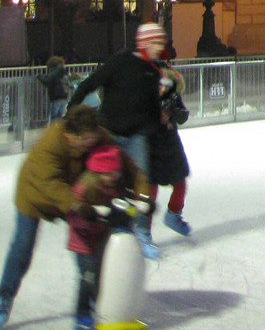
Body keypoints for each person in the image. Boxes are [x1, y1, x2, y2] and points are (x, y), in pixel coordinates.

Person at [0, 106, 118, 326]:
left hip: (73, 194)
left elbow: (120, 162)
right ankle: (3, 299)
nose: (89, 144)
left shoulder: (97, 136)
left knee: (89, 251)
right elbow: (49, 184)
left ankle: (87, 307)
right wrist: (78, 205)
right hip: (34, 196)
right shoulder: (51, 142)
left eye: (92, 137)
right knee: (23, 248)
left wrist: (141, 193)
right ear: (69, 134)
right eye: (84, 139)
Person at [67, 24, 167, 260]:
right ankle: (106, 229)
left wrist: (157, 129)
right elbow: (89, 83)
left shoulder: (153, 72)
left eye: (161, 44)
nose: (160, 48)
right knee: (107, 184)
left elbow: (152, 107)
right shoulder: (120, 62)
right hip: (109, 134)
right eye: (156, 43)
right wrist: (72, 110)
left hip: (137, 137)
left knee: (141, 184)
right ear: (144, 43)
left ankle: (142, 234)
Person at [66, 143, 144, 330]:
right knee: (88, 277)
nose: (112, 177)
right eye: (108, 173)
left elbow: (127, 203)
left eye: (115, 172)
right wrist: (91, 216)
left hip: (103, 241)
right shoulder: (83, 189)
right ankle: (82, 315)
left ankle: (104, 309)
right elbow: (73, 217)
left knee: (105, 276)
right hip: (83, 243)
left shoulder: (116, 187)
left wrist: (141, 204)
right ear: (96, 173)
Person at [150, 62, 193, 237]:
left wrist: (171, 114)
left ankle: (173, 215)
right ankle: (144, 228)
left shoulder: (174, 98)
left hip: (171, 147)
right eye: (159, 85)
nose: (162, 89)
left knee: (180, 183)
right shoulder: (146, 99)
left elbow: (183, 115)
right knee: (149, 188)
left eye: (166, 86)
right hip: (152, 147)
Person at [39, 57, 72, 121]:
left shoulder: (55, 72)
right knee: (61, 116)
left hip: (56, 96)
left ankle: (54, 130)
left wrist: (40, 77)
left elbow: (47, 81)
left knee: (53, 117)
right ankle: (60, 129)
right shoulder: (64, 72)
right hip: (64, 96)